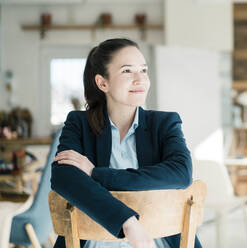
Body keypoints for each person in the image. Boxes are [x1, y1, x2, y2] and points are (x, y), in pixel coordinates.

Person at [50, 38, 202, 248]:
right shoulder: (78, 123)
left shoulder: (165, 123)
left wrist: (96, 174)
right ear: (103, 83)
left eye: (144, 70)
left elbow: (181, 174)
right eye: (127, 71)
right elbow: (63, 177)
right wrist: (127, 222)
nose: (140, 79)